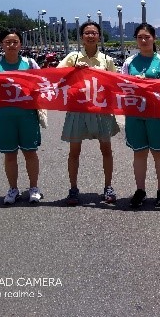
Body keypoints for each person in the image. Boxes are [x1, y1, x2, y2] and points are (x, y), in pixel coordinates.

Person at [57, 21, 120, 206]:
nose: (90, 36)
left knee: (106, 150)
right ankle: (73, 189)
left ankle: (108, 187)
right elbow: (58, 77)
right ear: (81, 37)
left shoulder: (107, 60)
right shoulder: (73, 57)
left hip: (101, 110)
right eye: (87, 33)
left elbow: (115, 83)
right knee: (74, 151)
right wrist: (73, 72)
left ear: (99, 36)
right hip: (78, 109)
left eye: (94, 33)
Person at [0, 28, 42, 205]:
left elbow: (42, 83)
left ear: (20, 44)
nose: (11, 45)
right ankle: (13, 189)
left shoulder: (30, 63)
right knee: (10, 154)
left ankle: (34, 188)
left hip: (27, 115)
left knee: (30, 152)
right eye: (7, 42)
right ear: (1, 45)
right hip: (4, 116)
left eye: (15, 42)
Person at [120, 23, 160, 208]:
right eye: (140, 37)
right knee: (139, 152)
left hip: (156, 114)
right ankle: (140, 190)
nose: (143, 41)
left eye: (147, 37)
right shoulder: (129, 63)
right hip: (135, 114)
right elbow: (121, 87)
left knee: (159, 152)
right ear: (136, 40)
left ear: (154, 39)